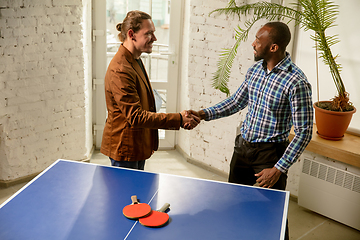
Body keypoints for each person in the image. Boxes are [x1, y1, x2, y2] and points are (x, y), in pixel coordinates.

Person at [190, 22, 313, 240]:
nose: (253, 44)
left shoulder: (297, 82)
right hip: (243, 147)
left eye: (258, 40)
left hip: (270, 155)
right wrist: (203, 113)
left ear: (274, 47)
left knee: (274, 214)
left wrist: (278, 169)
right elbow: (236, 102)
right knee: (234, 203)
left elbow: (304, 132)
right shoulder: (255, 70)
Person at [101, 11, 200, 170]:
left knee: (137, 193)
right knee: (127, 194)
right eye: (149, 33)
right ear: (132, 34)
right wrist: (179, 119)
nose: (155, 38)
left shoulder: (135, 59)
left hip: (136, 145)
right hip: (124, 148)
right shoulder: (121, 69)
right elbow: (136, 116)